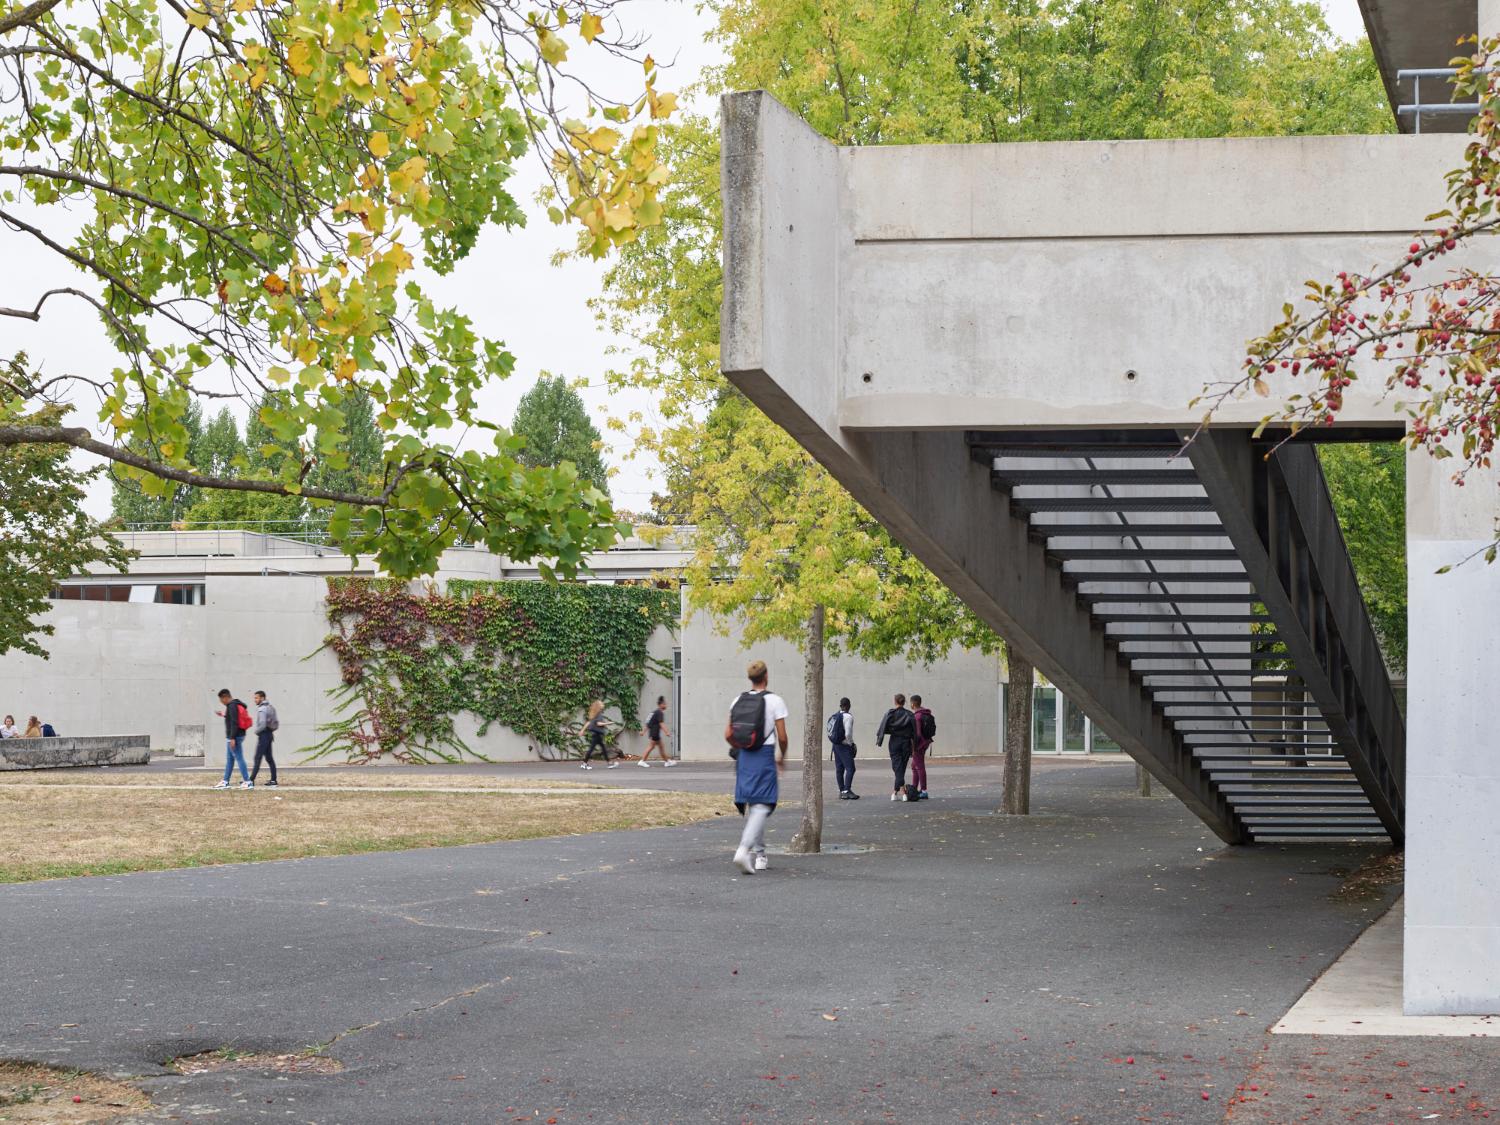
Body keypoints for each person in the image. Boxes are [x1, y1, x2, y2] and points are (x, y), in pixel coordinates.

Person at [725, 659, 788, 874]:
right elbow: (782, 736)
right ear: (766, 676)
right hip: (764, 755)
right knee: (763, 804)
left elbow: (727, 734)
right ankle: (744, 849)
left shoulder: (737, 701)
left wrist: (741, 748)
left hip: (744, 756)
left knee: (754, 804)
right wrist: (782, 757)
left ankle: (760, 855)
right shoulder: (775, 701)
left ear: (750, 678)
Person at [875, 693, 916, 801]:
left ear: (895, 701)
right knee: (900, 767)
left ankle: (901, 792)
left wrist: (880, 739)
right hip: (906, 742)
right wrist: (914, 746)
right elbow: (914, 732)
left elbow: (883, 726)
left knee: (897, 767)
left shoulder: (890, 713)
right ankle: (897, 792)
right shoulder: (909, 714)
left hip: (894, 741)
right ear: (904, 702)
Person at [212, 689, 253, 790]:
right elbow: (233, 718)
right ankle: (225, 781)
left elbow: (235, 722)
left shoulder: (231, 706)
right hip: (235, 736)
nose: (221, 702)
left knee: (239, 758)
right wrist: (223, 715)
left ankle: (247, 782)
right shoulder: (234, 705)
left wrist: (232, 738)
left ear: (225, 697)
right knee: (230, 760)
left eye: (221, 700)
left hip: (235, 736)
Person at [828, 697, 858, 799]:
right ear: (849, 706)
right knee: (851, 768)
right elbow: (848, 733)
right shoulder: (848, 717)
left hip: (835, 745)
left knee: (839, 769)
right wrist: (851, 744)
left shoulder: (836, 716)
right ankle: (847, 790)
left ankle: (842, 791)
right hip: (844, 746)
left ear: (840, 706)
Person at [250, 690, 280, 789]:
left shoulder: (262, 709)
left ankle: (250, 780)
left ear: (262, 698)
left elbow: (262, 724)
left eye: (256, 698)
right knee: (269, 758)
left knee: (257, 758)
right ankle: (273, 780)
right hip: (269, 735)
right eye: (255, 698)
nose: (255, 700)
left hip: (263, 735)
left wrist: (256, 731)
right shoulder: (270, 708)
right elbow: (275, 723)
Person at [910, 694, 935, 800]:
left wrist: (913, 747)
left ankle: (923, 791)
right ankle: (914, 788)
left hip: (919, 745)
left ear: (912, 703)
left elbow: (918, 734)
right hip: (926, 741)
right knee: (913, 765)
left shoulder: (917, 716)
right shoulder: (925, 713)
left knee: (920, 766)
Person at [640, 696, 676, 767]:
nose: (666, 705)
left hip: (653, 732)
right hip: (655, 733)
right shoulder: (659, 713)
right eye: (664, 704)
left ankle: (667, 761)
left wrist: (643, 732)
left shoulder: (654, 712)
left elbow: (648, 723)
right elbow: (661, 723)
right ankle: (642, 761)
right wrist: (666, 732)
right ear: (660, 705)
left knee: (661, 747)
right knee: (651, 746)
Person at [581, 701, 619, 770]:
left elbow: (588, 723)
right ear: (598, 706)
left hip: (596, 734)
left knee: (603, 749)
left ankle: (609, 763)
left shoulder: (594, 714)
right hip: (597, 734)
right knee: (593, 749)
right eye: (601, 703)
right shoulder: (599, 714)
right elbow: (598, 724)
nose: (603, 704)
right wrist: (608, 723)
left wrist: (582, 730)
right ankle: (584, 764)